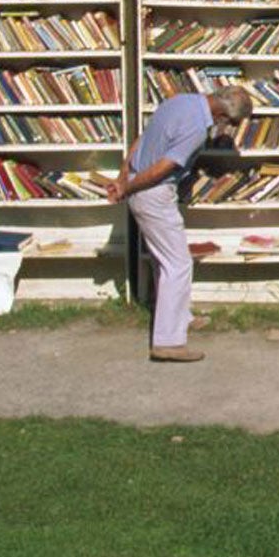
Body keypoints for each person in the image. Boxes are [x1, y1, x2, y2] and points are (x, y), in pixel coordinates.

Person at [107, 85, 253, 363]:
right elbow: (165, 167)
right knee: (178, 263)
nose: (228, 127)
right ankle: (168, 342)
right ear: (223, 113)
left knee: (166, 260)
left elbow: (141, 140)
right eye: (232, 122)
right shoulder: (197, 127)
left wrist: (124, 175)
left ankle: (180, 317)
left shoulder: (178, 101)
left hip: (140, 184)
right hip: (153, 194)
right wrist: (128, 188)